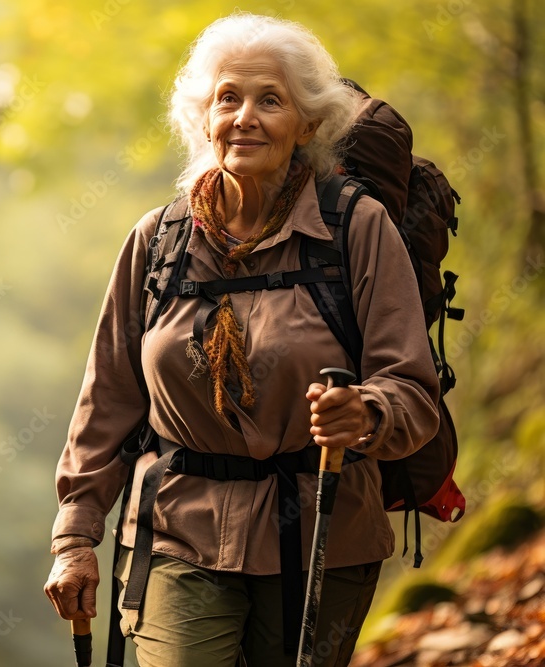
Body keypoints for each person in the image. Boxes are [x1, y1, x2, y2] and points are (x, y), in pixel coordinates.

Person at [43, 12, 440, 667]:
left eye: (271, 100)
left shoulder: (356, 230)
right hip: (177, 531)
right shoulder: (158, 242)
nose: (245, 116)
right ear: (204, 116)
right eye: (228, 97)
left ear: (308, 124)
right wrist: (75, 534)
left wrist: (365, 412)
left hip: (322, 535)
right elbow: (107, 401)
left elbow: (412, 390)